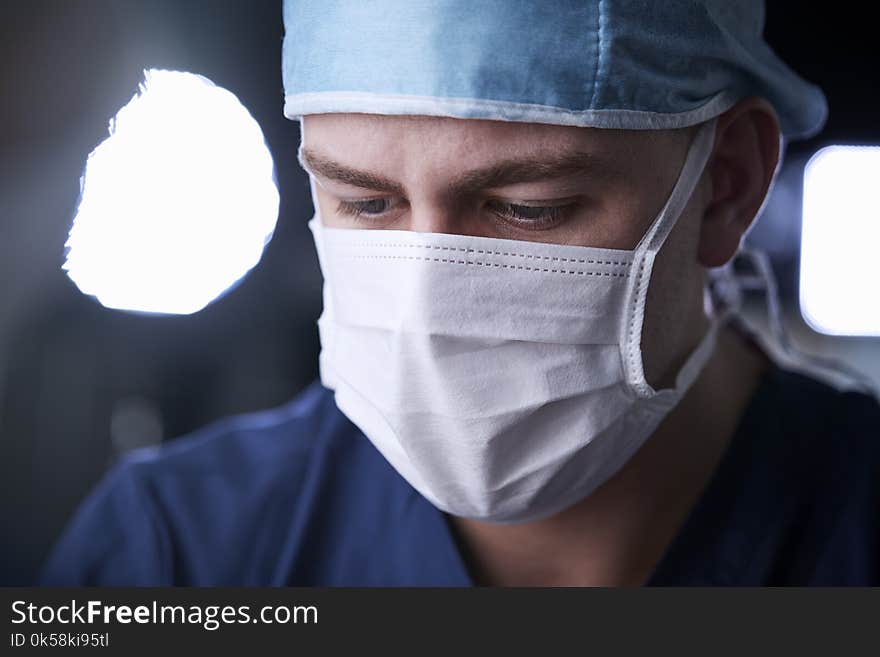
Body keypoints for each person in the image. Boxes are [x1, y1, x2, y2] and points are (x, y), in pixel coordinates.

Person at [41, 0, 879, 586]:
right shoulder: (180, 551)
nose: (426, 294)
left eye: (527, 208)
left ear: (726, 186)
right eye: (366, 202)